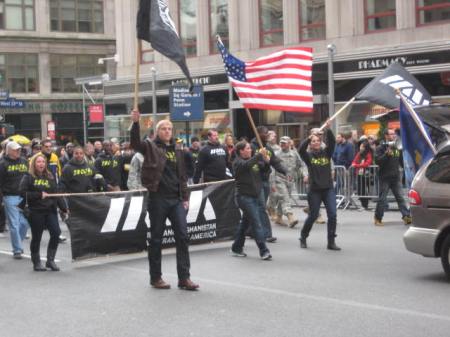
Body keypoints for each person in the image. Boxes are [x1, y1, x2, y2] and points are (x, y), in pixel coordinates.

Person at [130, 109, 199, 291]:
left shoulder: (178, 148)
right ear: (157, 132)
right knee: (157, 240)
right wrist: (136, 123)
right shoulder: (150, 146)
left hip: (176, 199)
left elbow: (182, 175)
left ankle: (184, 278)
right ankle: (156, 277)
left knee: (183, 237)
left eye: (169, 128)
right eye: (164, 129)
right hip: (158, 198)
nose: (168, 131)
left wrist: (185, 197)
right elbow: (135, 143)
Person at [19, 154, 68, 271]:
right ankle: (36, 262)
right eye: (38, 162)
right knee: (37, 237)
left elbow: (56, 194)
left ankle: (50, 261)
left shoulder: (50, 176)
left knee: (56, 233)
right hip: (35, 211)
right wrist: (39, 195)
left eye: (43, 162)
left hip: (50, 210)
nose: (41, 164)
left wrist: (64, 208)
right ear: (34, 164)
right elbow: (22, 192)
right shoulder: (28, 176)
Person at [298, 121, 341, 251]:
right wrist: (308, 138)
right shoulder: (308, 156)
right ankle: (303, 236)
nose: (315, 142)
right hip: (314, 190)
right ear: (310, 144)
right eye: (313, 141)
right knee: (313, 215)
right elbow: (300, 150)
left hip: (328, 189)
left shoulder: (326, 153)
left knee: (332, 215)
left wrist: (328, 129)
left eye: (317, 140)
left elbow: (332, 142)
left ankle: (331, 241)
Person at [230, 141, 272, 260]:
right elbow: (247, 165)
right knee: (256, 222)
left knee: (245, 224)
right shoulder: (237, 163)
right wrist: (259, 155)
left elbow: (265, 172)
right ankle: (264, 251)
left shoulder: (254, 161)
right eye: (247, 148)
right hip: (244, 197)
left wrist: (267, 162)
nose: (250, 150)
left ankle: (236, 247)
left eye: (250, 148)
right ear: (241, 151)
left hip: (256, 196)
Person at [251, 126, 288, 242]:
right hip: (255, 181)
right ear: (258, 134)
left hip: (265, 180)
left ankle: (248, 230)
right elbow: (251, 163)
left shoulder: (268, 148)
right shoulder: (251, 147)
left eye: (268, 133)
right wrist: (264, 162)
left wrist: (285, 171)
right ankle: (267, 234)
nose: (267, 135)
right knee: (262, 207)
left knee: (255, 207)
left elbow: (275, 161)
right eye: (265, 133)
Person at [374, 129, 412, 226]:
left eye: (394, 134)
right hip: (384, 177)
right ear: (386, 136)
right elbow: (377, 161)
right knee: (382, 199)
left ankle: (406, 216)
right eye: (391, 134)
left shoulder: (396, 148)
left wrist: (407, 168)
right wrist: (386, 154)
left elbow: (401, 161)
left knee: (400, 198)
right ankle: (378, 218)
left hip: (395, 177)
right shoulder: (380, 148)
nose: (393, 136)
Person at [0, 141, 30, 258]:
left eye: (19, 149)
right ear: (9, 151)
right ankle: (17, 249)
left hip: (23, 196)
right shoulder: (2, 164)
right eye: (16, 149)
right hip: (10, 196)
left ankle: (18, 243)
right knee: (14, 224)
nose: (18, 151)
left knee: (25, 223)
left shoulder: (24, 161)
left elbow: (29, 176)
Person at [271, 136, 302, 228]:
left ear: (289, 144)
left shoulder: (294, 154)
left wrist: (299, 174)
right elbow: (272, 169)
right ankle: (290, 217)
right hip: (279, 179)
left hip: (289, 180)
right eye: (281, 143)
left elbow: (300, 164)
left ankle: (279, 217)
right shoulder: (276, 154)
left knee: (284, 198)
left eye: (284, 143)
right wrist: (272, 183)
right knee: (285, 197)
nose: (282, 144)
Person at [351, 140, 373, 210]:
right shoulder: (359, 153)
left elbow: (367, 164)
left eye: (362, 146)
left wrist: (357, 165)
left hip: (366, 174)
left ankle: (365, 205)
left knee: (364, 190)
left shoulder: (369, 154)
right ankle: (363, 205)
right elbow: (354, 161)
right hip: (359, 174)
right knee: (360, 190)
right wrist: (356, 165)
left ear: (365, 147)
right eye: (360, 146)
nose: (360, 147)